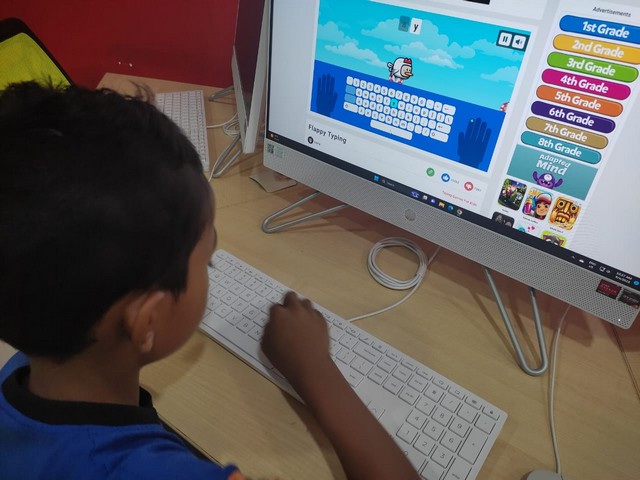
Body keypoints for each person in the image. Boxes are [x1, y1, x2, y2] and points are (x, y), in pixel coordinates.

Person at [0, 82, 419, 480]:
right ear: (147, 321)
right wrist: (315, 370)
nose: (210, 267)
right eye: (208, 262)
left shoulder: (21, 373)